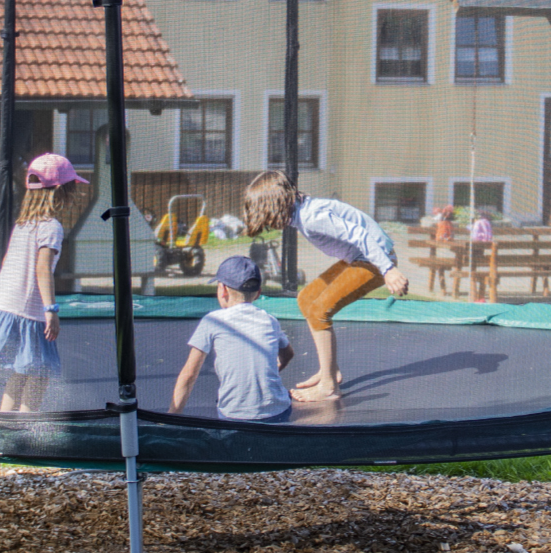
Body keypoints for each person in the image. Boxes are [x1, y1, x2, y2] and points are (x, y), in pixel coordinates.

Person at [241, 170, 409, 403]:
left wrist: (388, 269)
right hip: (358, 257)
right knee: (306, 299)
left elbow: (360, 234)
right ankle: (329, 370)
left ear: (274, 206)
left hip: (375, 259)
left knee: (320, 309)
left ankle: (328, 387)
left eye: (266, 216)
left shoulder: (312, 217)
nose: (268, 223)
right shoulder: (301, 211)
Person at [0, 153, 87, 412]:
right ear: (59, 190)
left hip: (4, 304)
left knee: (21, 372)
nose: (74, 195)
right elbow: (42, 269)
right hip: (30, 312)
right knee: (39, 374)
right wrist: (51, 311)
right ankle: (25, 430)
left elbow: (8, 264)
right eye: (71, 188)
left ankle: (6, 426)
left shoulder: (24, 224)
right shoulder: (52, 227)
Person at [168, 256, 295, 420]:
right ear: (258, 294)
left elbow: (189, 374)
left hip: (235, 416)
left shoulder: (213, 320)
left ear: (223, 290)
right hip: (277, 410)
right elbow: (288, 354)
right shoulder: (269, 320)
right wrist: (263, 378)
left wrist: (172, 417)